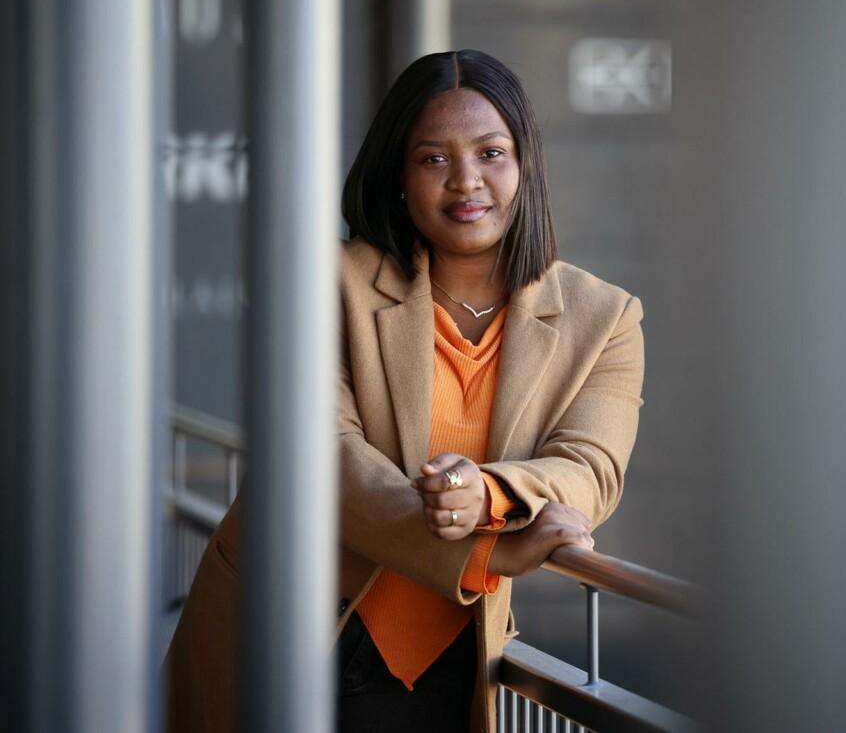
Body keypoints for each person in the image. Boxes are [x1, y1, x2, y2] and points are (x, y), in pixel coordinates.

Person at [164, 49, 646, 732]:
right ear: (397, 172)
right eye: (433, 159)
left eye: (490, 153)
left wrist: (489, 493)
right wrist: (485, 549)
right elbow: (322, 451)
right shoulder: (325, 280)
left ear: (525, 165)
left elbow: (590, 468)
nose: (466, 182)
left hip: (446, 655)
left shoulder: (605, 318)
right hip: (282, 629)